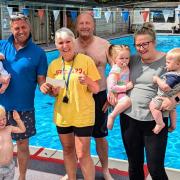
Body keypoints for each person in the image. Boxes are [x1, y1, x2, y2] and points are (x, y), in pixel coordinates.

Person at [107, 22, 179, 180]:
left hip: (155, 121)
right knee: (134, 165)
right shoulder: (132, 59)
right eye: (137, 45)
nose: (141, 48)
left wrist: (175, 99)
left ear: (154, 42)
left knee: (155, 168)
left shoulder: (169, 61)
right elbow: (114, 69)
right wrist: (110, 91)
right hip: (129, 118)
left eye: (145, 44)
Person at [40, 27, 100, 180]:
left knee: (83, 154)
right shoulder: (54, 65)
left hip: (83, 115)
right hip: (63, 115)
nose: (65, 46)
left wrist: (87, 80)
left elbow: (96, 89)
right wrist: (48, 89)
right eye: (60, 43)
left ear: (73, 42)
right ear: (56, 45)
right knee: (67, 149)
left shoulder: (86, 61)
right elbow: (55, 93)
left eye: (68, 41)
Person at [0, 13, 48, 180]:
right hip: (1, 107)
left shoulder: (39, 53)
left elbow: (41, 80)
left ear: (29, 28)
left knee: (22, 145)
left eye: (23, 27)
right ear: (11, 29)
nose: (20, 31)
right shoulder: (1, 46)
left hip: (24, 108)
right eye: (16, 28)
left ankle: (21, 177)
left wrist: (46, 87)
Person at [75, 12, 113, 180]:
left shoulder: (105, 45)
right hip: (77, 97)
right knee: (76, 138)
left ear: (93, 25)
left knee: (100, 137)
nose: (84, 26)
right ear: (76, 26)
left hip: (99, 97)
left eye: (87, 23)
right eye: (81, 23)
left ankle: (105, 170)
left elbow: (119, 71)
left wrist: (113, 94)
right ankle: (73, 170)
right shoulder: (71, 45)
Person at [149, 48, 180, 134]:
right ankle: (173, 125)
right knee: (173, 110)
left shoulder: (173, 76)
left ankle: (160, 124)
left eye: (168, 62)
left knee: (152, 106)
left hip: (164, 98)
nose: (166, 64)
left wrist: (157, 79)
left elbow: (166, 87)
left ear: (177, 64)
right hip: (173, 100)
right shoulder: (177, 73)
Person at [107, 45, 133, 130]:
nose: (125, 60)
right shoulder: (116, 69)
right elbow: (112, 87)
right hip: (116, 93)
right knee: (127, 101)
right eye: (121, 58)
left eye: (127, 58)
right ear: (114, 59)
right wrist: (126, 87)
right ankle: (112, 116)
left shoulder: (125, 67)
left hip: (121, 91)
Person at [0, 105, 26, 180]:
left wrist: (18, 120)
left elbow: (22, 130)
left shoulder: (9, 129)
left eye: (4, 119)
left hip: (10, 166)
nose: (2, 122)